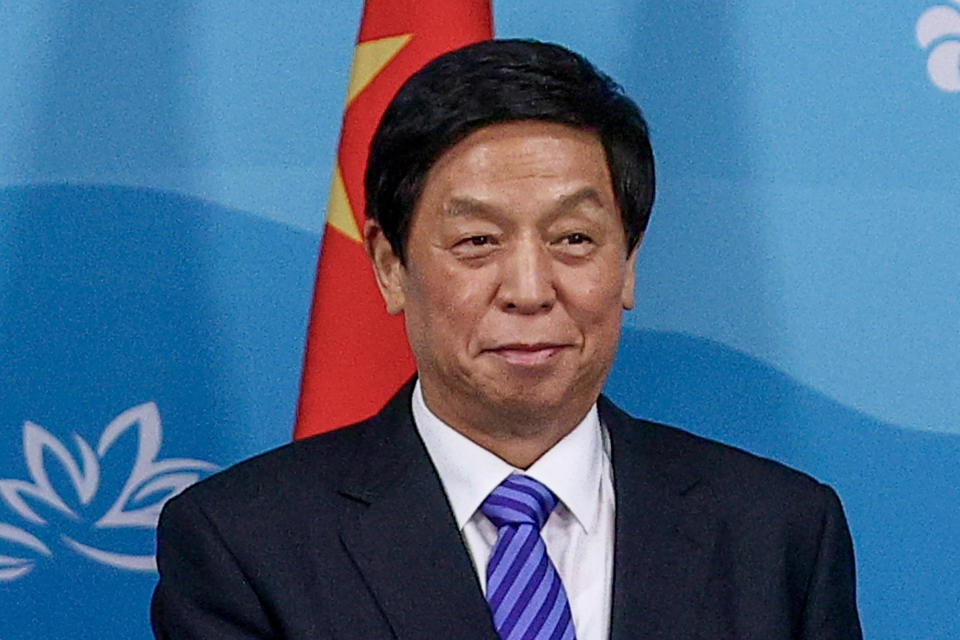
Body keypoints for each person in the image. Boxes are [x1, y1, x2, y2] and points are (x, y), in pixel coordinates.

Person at [151, 40, 862, 639]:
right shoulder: (244, 545)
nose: (529, 289)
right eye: (478, 241)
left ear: (628, 265)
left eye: (574, 239)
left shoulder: (780, 535)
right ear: (389, 266)